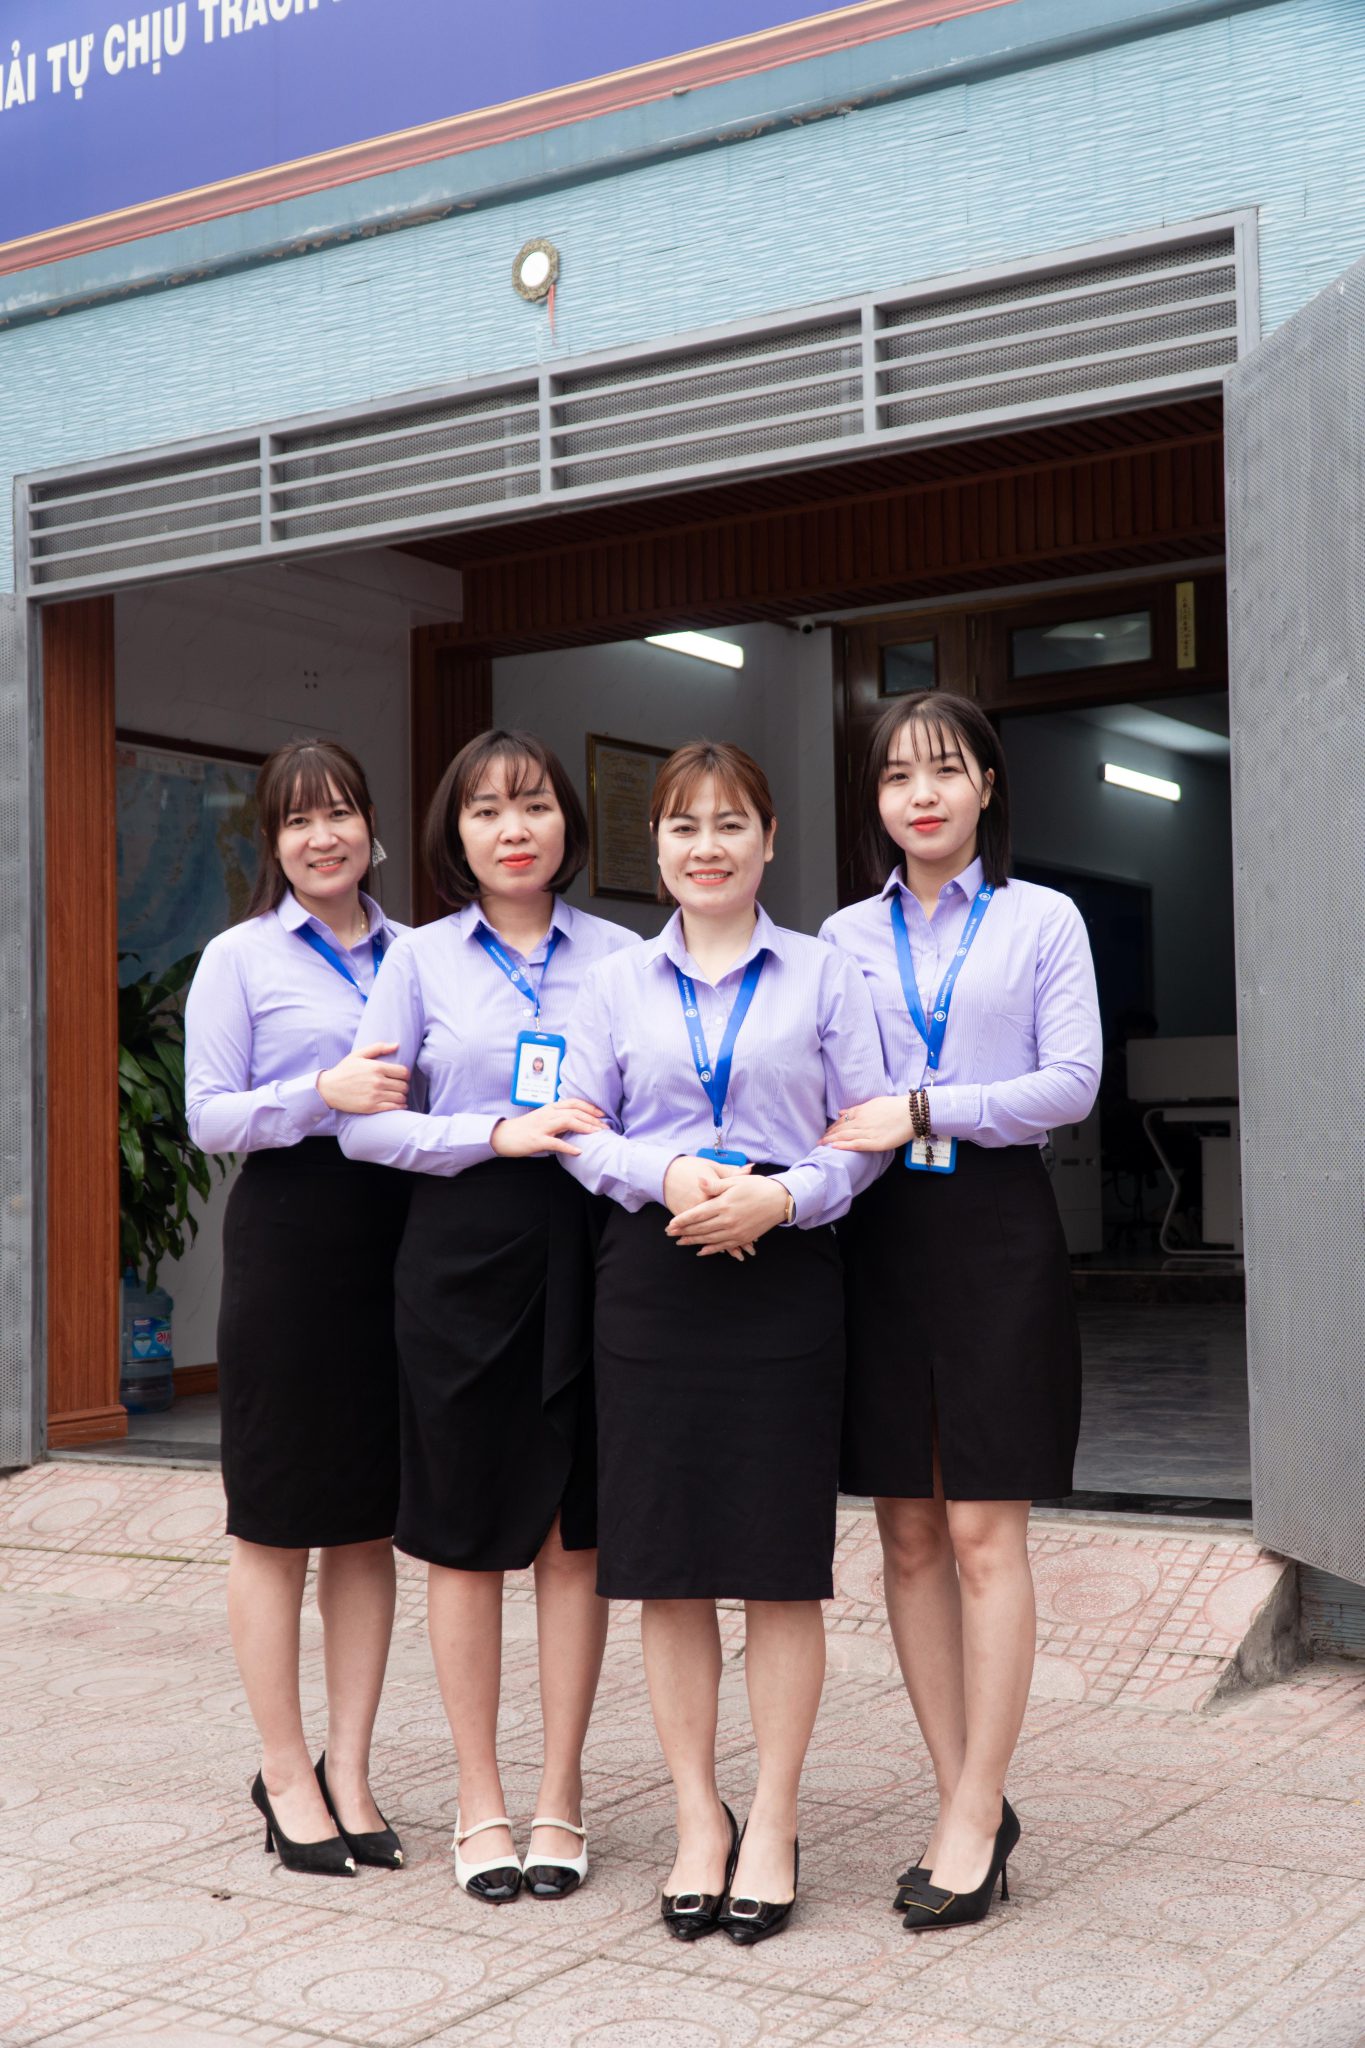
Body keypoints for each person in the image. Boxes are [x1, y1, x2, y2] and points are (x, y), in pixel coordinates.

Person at [558, 740, 888, 1948]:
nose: (708, 846)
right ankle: (700, 1816)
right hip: (652, 1277)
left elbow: (864, 1129)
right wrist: (667, 1173)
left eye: (731, 822)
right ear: (656, 848)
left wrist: (783, 1195)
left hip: (785, 1274)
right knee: (671, 1559)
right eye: (684, 826)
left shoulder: (826, 973)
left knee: (778, 1561)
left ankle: (777, 1818)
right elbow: (575, 1127)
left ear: (770, 838)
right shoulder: (613, 983)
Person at [337, 730, 637, 1904]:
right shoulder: (418, 960)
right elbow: (364, 1124)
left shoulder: (624, 954)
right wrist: (492, 1133)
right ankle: (480, 1796)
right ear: (453, 833)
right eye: (487, 808)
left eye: (535, 804)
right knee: (462, 1531)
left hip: (592, 1244)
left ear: (569, 821)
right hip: (459, 1254)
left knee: (573, 1534)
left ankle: (561, 1792)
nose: (514, 827)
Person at [819, 690, 1101, 1931]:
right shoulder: (840, 936)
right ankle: (963, 1797)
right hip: (876, 1231)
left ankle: (977, 1809)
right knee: (907, 1532)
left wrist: (930, 1106)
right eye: (896, 775)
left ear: (987, 782)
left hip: (994, 1230)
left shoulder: (1042, 918)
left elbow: (1071, 1081)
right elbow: (822, 1089)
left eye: (944, 770)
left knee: (985, 1527)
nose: (920, 794)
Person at [185, 739, 413, 1877]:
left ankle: (350, 1768)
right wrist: (317, 1092)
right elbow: (209, 1117)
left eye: (339, 813)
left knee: (368, 1522)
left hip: (401, 1240)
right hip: (289, 1243)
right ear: (272, 843)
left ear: (372, 826)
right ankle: (283, 1771)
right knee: (276, 1521)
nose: (322, 836)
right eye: (296, 820)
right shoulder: (239, 957)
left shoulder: (420, 952)